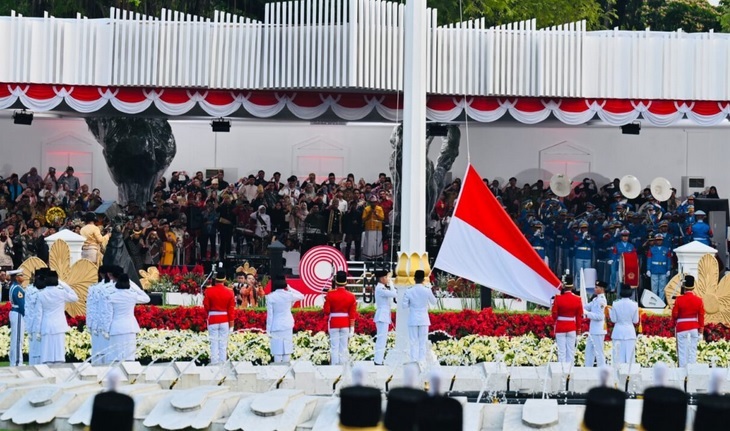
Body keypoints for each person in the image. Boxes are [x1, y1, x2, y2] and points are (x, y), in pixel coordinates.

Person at [105, 274, 150, 362]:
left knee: (115, 358)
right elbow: (147, 298)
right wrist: (134, 286)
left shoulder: (111, 296)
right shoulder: (132, 296)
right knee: (129, 358)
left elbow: (108, 315)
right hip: (130, 328)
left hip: (116, 328)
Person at [38, 270, 79, 364]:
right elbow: (75, 297)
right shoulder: (61, 293)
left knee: (47, 354)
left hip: (46, 324)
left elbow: (39, 314)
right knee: (59, 354)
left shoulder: (41, 294)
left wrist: (38, 329)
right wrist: (63, 284)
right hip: (59, 325)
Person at [266, 275, 304, 363]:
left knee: (277, 351)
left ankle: (277, 372)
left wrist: (268, 330)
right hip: (287, 324)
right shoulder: (289, 295)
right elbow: (301, 296)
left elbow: (270, 315)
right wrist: (290, 288)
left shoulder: (271, 297)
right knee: (287, 350)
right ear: (285, 285)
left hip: (276, 325)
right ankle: (287, 373)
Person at [323, 271, 357, 365]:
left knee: (334, 347)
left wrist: (326, 299)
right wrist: (352, 327)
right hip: (345, 323)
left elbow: (326, 311)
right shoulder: (351, 296)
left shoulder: (330, 294)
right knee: (344, 346)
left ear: (336, 282)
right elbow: (352, 313)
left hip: (334, 322)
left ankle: (334, 366)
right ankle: (343, 365)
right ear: (345, 282)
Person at [402, 270, 437, 362]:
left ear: (414, 279)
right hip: (423, 319)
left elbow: (404, 305)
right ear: (423, 279)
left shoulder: (409, 290)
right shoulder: (427, 290)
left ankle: (414, 362)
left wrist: (412, 305)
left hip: (413, 318)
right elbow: (434, 302)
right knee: (423, 342)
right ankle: (422, 362)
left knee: (413, 342)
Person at [203, 269, 236, 364]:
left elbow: (206, 306)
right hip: (225, 320)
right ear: (225, 279)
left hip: (213, 318)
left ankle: (214, 362)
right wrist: (232, 324)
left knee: (213, 343)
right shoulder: (230, 292)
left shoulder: (209, 291)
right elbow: (231, 310)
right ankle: (223, 363)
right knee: (223, 344)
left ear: (215, 279)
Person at [671, 275, 704, 367]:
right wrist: (701, 329)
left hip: (681, 327)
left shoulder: (679, 299)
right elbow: (701, 316)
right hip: (694, 327)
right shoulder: (699, 300)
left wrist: (674, 323)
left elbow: (675, 314)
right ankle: (692, 369)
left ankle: (682, 371)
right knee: (693, 350)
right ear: (693, 287)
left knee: (682, 351)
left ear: (684, 287)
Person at [551, 275, 583, 364]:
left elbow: (554, 315)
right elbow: (579, 317)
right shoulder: (578, 299)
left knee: (561, 352)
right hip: (572, 327)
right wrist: (578, 330)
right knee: (571, 351)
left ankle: (562, 371)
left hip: (560, 326)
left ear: (563, 286)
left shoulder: (558, 298)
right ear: (572, 286)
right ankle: (570, 371)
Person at [87, 265, 113, 364]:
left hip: (97, 325)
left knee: (98, 355)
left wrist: (89, 325)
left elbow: (91, 308)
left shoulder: (94, 288)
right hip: (110, 326)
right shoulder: (116, 288)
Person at [609, 284, 640, 364]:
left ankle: (617, 376)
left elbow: (613, 320)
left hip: (618, 332)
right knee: (630, 359)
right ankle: (629, 376)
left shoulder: (615, 303)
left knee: (617, 358)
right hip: (629, 332)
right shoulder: (634, 304)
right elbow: (635, 321)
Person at [373, 269, 396, 365]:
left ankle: (379, 359)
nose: (388, 279)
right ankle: (378, 360)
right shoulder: (380, 289)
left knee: (382, 339)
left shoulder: (382, 288)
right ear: (382, 279)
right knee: (381, 339)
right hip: (382, 316)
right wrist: (391, 283)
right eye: (386, 277)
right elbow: (394, 294)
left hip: (383, 316)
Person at [583, 279, 607, 367]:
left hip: (598, 330)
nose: (594, 289)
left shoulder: (601, 301)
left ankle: (602, 369)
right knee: (589, 351)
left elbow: (600, 316)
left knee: (599, 352)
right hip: (593, 330)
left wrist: (587, 313)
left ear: (601, 289)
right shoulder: (596, 299)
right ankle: (588, 369)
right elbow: (586, 306)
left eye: (596, 287)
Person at [646, 233, 672, 302]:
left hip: (663, 270)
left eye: (660, 240)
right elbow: (649, 259)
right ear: (655, 240)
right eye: (657, 240)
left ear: (662, 240)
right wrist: (648, 269)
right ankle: (654, 302)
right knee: (654, 288)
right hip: (654, 270)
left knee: (662, 288)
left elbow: (668, 260)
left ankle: (661, 302)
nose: (659, 241)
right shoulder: (651, 249)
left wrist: (668, 269)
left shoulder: (666, 249)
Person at [8, 269, 26, 366]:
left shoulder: (14, 286)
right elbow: (22, 304)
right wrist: (26, 315)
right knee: (18, 339)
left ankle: (14, 361)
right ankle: (17, 362)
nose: (23, 277)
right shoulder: (17, 288)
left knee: (15, 339)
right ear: (16, 277)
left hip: (15, 312)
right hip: (18, 313)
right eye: (21, 275)